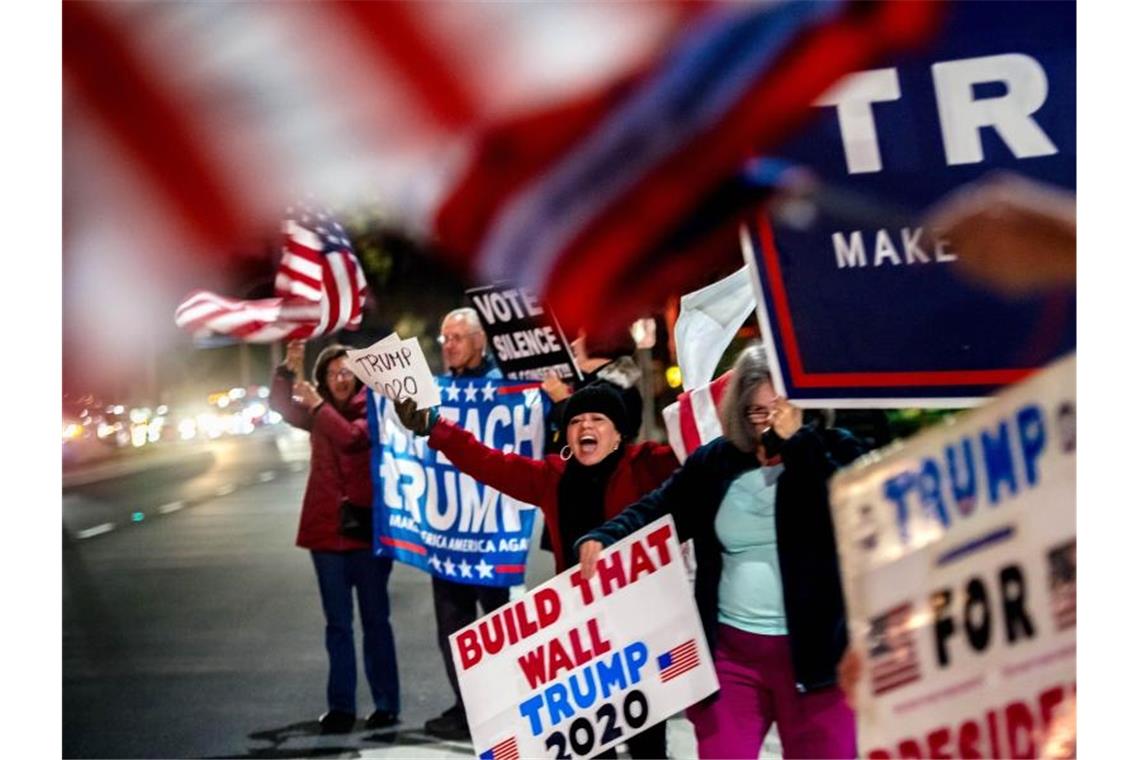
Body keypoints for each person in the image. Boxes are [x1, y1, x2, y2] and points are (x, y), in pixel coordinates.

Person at [577, 344, 868, 759]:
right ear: (739, 411)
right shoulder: (717, 462)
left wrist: (800, 443)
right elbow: (661, 506)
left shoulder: (834, 449)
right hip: (731, 658)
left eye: (780, 408)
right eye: (757, 410)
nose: (769, 420)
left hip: (819, 661)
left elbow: (850, 510)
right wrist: (606, 536)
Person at [396, 383, 679, 758]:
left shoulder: (650, 464)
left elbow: (703, 445)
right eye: (576, 421)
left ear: (618, 434)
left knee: (648, 745)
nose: (585, 427)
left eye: (597, 419)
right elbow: (489, 462)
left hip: (638, 630)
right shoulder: (553, 475)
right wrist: (436, 428)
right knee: (594, 746)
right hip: (581, 635)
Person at [268, 340, 400, 734]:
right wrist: (288, 372)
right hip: (326, 534)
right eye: (332, 373)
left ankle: (386, 704)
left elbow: (351, 438)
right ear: (323, 377)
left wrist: (317, 404)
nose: (340, 379)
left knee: (377, 621)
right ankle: (341, 707)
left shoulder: (374, 407)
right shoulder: (314, 410)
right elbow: (280, 405)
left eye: (347, 372)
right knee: (337, 625)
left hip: (368, 533)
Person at [424, 307, 508, 741]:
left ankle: (504, 705)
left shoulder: (507, 388)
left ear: (480, 341)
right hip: (447, 531)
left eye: (457, 337)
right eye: (444, 338)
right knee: (453, 629)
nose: (448, 345)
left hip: (491, 533)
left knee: (496, 628)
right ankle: (466, 708)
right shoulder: (437, 391)